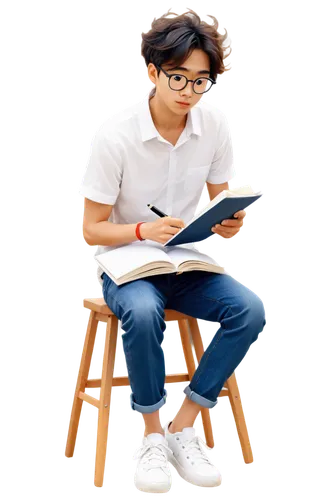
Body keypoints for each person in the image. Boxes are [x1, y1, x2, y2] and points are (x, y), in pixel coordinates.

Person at [79, 6, 267, 495]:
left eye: (201, 82)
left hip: (184, 263)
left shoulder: (216, 128)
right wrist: (144, 228)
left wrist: (229, 224)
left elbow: (221, 205)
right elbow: (91, 230)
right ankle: (149, 438)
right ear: (152, 73)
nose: (189, 92)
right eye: (178, 79)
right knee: (141, 314)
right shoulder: (114, 136)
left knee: (249, 309)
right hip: (127, 267)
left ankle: (185, 426)